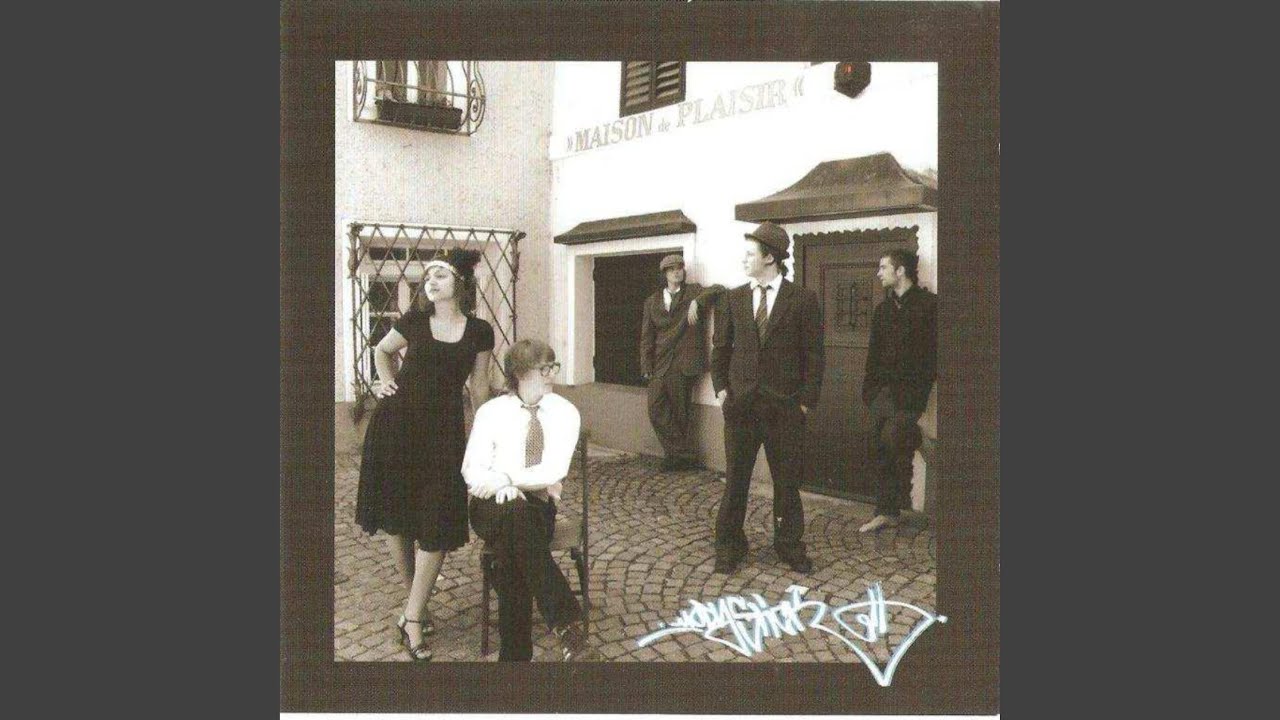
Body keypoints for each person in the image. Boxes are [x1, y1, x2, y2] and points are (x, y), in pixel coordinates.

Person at [354, 248, 494, 661]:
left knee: (437, 522)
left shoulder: (479, 331)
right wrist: (385, 382)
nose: (430, 283)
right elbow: (382, 351)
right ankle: (417, 610)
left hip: (443, 434)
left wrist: (486, 434)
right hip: (397, 427)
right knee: (397, 518)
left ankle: (412, 615)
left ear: (460, 285)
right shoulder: (414, 320)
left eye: (440, 276)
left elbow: (479, 386)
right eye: (428, 277)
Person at [710, 222, 824, 575]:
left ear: (770, 258)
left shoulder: (802, 299)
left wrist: (804, 402)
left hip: (784, 409)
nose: (743, 260)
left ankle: (789, 545)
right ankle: (729, 546)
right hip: (741, 408)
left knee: (787, 484)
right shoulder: (733, 299)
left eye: (750, 254)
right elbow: (720, 349)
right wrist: (721, 391)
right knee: (736, 482)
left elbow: (814, 355)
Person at [463, 339, 588, 662]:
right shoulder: (491, 413)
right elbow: (472, 469)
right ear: (518, 374)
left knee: (514, 539)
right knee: (514, 517)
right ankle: (566, 623)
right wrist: (500, 486)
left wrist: (507, 479)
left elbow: (553, 471)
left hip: (536, 506)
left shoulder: (564, 413)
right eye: (543, 369)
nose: (552, 374)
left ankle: (515, 656)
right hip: (489, 505)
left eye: (553, 366)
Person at [858, 249, 937, 532]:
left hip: (912, 395)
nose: (879, 273)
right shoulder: (884, 309)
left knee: (894, 439)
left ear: (900, 270)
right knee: (880, 446)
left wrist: (922, 386)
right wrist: (870, 391)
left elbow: (936, 353)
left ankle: (896, 508)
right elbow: (874, 353)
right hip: (883, 394)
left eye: (883, 268)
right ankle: (886, 512)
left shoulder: (930, 305)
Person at [639, 254, 725, 471]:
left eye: (680, 268)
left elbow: (719, 289)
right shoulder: (652, 301)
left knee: (680, 413)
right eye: (672, 269)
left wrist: (697, 301)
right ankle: (684, 455)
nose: (677, 272)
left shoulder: (693, 291)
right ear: (664, 274)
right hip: (660, 363)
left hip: (684, 364)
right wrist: (646, 365)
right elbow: (647, 336)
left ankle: (674, 457)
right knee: (655, 409)